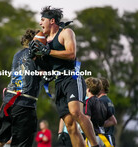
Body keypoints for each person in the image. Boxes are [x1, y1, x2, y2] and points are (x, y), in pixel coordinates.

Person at [30, 6, 99, 147]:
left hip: (72, 78)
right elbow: (47, 67)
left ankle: (95, 145)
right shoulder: (45, 41)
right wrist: (35, 58)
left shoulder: (66, 32)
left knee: (76, 112)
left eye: (42, 20)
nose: (40, 23)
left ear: (52, 20)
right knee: (69, 124)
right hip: (59, 82)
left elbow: (71, 54)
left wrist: (47, 51)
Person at [0, 29, 44, 147]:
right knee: (21, 144)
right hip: (24, 104)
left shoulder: (17, 54)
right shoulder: (37, 55)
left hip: (8, 101)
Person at [84, 77, 117, 147]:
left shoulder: (89, 102)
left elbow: (87, 120)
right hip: (105, 137)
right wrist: (100, 124)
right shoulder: (106, 101)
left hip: (95, 136)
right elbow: (113, 121)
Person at [98, 77, 116, 146]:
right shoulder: (109, 100)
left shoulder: (101, 101)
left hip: (104, 137)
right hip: (109, 136)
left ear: (102, 88)